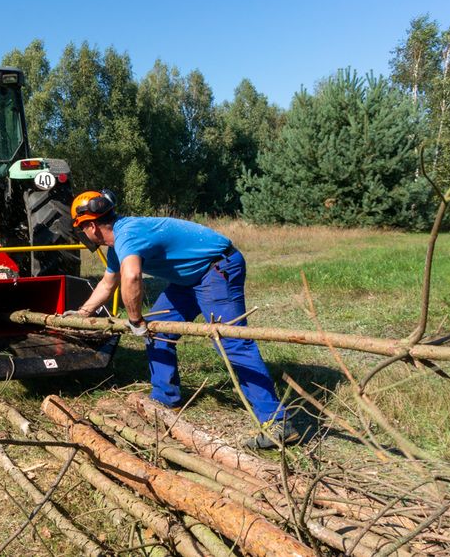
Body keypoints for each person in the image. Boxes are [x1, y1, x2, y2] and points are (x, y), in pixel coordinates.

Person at [66, 189, 300, 448]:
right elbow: (108, 284)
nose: (82, 234)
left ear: (91, 226)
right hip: (189, 279)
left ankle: (277, 423)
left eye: (81, 228)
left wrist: (135, 320)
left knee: (231, 342)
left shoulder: (127, 234)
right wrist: (83, 313)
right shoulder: (116, 248)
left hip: (216, 268)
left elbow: (132, 277)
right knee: (158, 331)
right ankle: (166, 401)